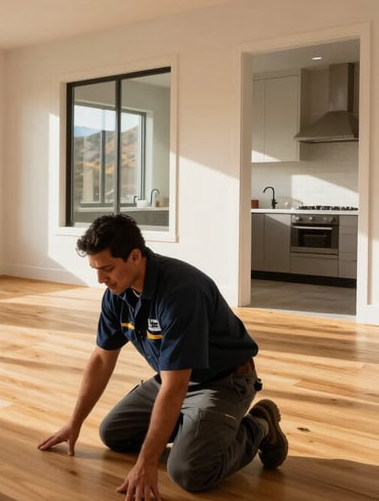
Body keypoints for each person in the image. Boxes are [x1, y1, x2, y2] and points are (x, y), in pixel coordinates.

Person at [38, 213, 287, 499]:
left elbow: (176, 386)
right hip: (172, 376)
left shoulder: (182, 292)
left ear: (134, 256)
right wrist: (75, 422)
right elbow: (102, 358)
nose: (100, 279)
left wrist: (146, 463)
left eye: (106, 268)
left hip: (222, 381)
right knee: (113, 434)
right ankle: (195, 428)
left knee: (189, 472)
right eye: (95, 269)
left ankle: (260, 424)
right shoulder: (117, 293)